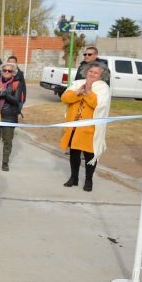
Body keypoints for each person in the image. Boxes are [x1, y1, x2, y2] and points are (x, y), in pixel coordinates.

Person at [59, 64, 111, 192]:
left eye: (96, 72)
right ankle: (74, 177)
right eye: (90, 71)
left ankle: (89, 180)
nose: (92, 74)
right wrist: (78, 93)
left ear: (101, 76)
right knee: (74, 153)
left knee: (89, 154)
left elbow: (99, 104)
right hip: (74, 126)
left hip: (90, 127)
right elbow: (64, 98)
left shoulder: (103, 88)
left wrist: (88, 93)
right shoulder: (77, 83)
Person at [0, 63, 24, 171]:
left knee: (8, 141)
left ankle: (5, 162)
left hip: (9, 115)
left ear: (13, 72)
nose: (6, 72)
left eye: (9, 71)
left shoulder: (17, 83)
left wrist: (4, 93)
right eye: (4, 70)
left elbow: (16, 100)